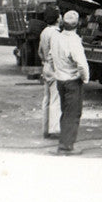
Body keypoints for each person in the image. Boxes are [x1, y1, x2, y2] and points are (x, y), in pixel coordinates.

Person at [49, 10, 89, 155]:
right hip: (72, 81)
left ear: (63, 23)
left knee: (65, 113)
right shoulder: (74, 40)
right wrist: (84, 78)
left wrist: (58, 70)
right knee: (73, 114)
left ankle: (64, 143)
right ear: (77, 23)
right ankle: (66, 147)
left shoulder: (56, 38)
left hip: (60, 80)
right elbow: (82, 64)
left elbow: (50, 57)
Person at [37, 8, 62, 139]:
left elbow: (40, 51)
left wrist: (45, 62)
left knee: (46, 99)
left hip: (46, 66)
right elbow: (56, 53)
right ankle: (55, 129)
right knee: (56, 98)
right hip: (54, 68)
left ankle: (45, 129)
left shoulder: (44, 32)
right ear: (57, 19)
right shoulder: (56, 34)